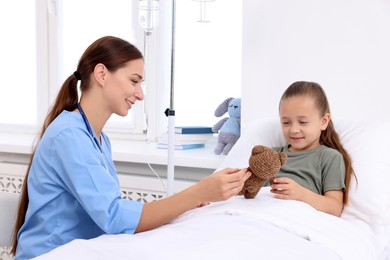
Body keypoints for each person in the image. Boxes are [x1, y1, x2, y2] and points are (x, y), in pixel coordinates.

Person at [11, 36, 251, 259]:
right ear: (102, 74)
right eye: (134, 81)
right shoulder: (69, 136)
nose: (140, 94)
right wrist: (198, 192)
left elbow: (113, 212)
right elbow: (114, 217)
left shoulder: (98, 138)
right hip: (51, 253)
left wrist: (187, 202)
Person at [269, 81, 354, 217]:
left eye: (303, 122)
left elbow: (335, 207)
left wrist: (300, 193)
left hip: (294, 218)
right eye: (286, 122)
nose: (294, 130)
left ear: (323, 121)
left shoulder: (329, 157)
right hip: (261, 214)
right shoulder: (271, 154)